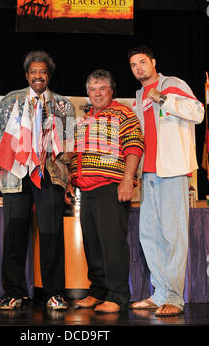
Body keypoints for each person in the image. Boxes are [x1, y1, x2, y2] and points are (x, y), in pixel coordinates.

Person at [0, 50, 75, 310]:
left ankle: (54, 292)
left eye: (42, 71)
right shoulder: (9, 100)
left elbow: (70, 145)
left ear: (48, 75)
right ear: (27, 75)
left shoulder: (64, 104)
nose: (37, 76)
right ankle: (12, 292)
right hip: (16, 174)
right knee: (14, 234)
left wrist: (69, 178)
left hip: (49, 174)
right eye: (33, 72)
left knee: (51, 234)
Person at [128, 45, 204, 316]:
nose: (138, 68)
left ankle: (174, 296)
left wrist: (164, 99)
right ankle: (159, 292)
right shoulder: (138, 95)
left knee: (173, 235)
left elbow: (198, 112)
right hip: (149, 172)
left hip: (172, 171)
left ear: (153, 62)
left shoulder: (172, 84)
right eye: (134, 65)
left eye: (142, 62)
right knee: (149, 235)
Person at [66, 69, 144, 313]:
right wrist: (71, 179)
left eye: (102, 88)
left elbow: (134, 146)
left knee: (112, 244)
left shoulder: (123, 113)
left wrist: (127, 179)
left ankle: (118, 296)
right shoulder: (86, 118)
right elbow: (78, 154)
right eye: (92, 89)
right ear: (87, 93)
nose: (97, 93)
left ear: (111, 91)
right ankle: (98, 291)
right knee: (93, 245)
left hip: (111, 187)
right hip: (86, 191)